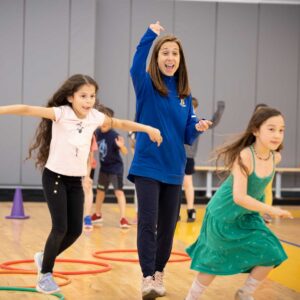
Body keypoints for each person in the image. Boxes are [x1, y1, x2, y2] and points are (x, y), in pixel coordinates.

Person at [0, 74, 162, 294]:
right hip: (55, 177)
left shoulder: (95, 117)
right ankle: (45, 274)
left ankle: (43, 257)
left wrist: (148, 129)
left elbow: (122, 123)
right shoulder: (61, 113)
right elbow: (27, 109)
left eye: (92, 96)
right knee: (60, 228)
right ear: (70, 97)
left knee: (75, 230)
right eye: (83, 96)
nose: (88, 100)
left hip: (75, 180)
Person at [128, 21, 212, 299]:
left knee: (168, 225)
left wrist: (196, 127)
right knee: (147, 222)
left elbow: (186, 134)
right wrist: (150, 35)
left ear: (180, 60)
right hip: (148, 165)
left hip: (174, 169)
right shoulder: (147, 85)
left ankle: (159, 272)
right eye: (165, 52)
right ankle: (147, 276)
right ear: (157, 57)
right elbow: (135, 65)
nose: (170, 58)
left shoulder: (185, 95)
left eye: (174, 53)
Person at [185, 106, 293, 300]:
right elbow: (239, 197)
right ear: (255, 130)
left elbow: (261, 190)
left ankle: (245, 293)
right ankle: (192, 297)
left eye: (281, 130)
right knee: (214, 264)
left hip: (247, 215)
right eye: (271, 129)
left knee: (272, 252)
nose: (277, 134)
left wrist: (264, 212)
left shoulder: (275, 157)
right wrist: (272, 210)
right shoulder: (245, 156)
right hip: (223, 214)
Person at [182, 99, 225, 222]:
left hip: (188, 157)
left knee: (187, 183)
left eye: (194, 108)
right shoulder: (180, 119)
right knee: (175, 184)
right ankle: (175, 212)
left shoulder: (197, 122)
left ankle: (191, 210)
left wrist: (220, 109)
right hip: (176, 155)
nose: (192, 110)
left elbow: (213, 122)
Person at [91, 106, 131, 228]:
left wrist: (121, 146)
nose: (103, 123)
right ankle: (98, 214)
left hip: (115, 168)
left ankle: (123, 218)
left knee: (119, 192)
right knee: (100, 192)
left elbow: (125, 152)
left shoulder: (114, 135)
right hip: (104, 168)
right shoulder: (97, 133)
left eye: (106, 120)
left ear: (111, 121)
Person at [254, 103, 273, 223]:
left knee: (267, 186)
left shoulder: (271, 127)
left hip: (267, 160)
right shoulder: (254, 128)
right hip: (254, 160)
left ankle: (267, 213)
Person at [82, 133, 98, 230]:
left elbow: (91, 155)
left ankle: (87, 217)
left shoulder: (90, 135)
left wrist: (87, 175)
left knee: (87, 188)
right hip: (72, 166)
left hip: (87, 166)